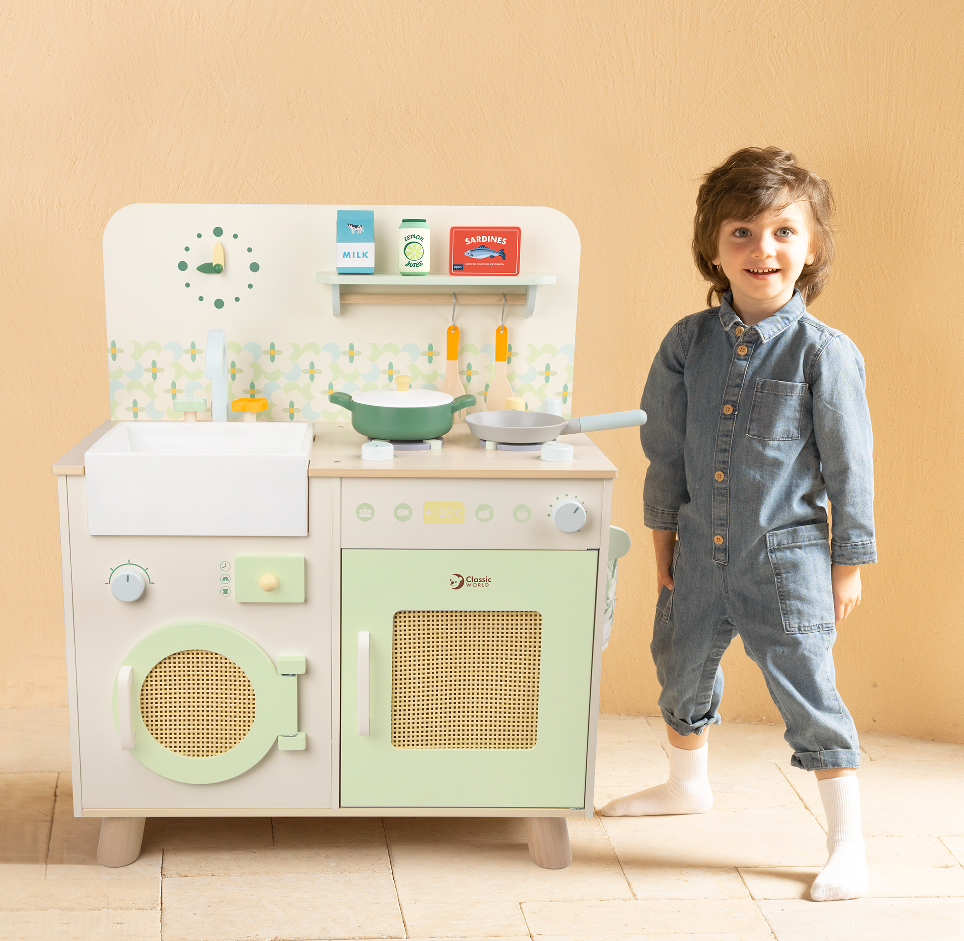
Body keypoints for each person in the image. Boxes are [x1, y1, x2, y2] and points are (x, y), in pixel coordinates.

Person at [600, 146, 876, 903]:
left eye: (784, 232)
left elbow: (851, 465)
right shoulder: (687, 344)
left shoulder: (825, 354)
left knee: (808, 686)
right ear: (714, 249)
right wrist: (664, 533)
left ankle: (847, 841)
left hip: (784, 560)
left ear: (811, 246)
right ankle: (686, 783)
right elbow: (664, 444)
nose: (764, 249)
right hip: (697, 547)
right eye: (743, 233)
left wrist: (846, 563)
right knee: (678, 660)